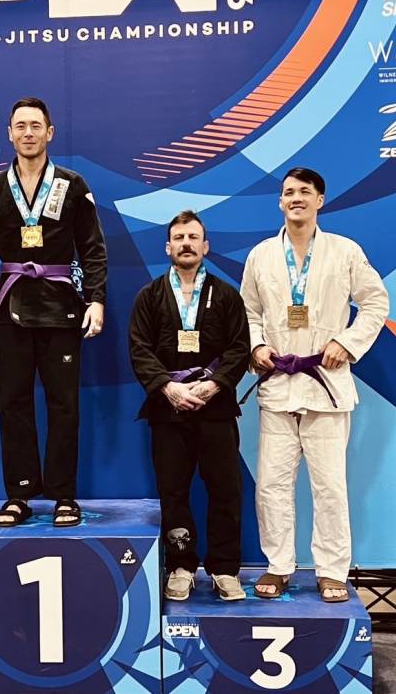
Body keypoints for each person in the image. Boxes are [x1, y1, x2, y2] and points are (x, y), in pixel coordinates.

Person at [240, 167, 389, 602]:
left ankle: (332, 570)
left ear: (320, 200)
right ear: (280, 202)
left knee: (329, 486)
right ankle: (278, 565)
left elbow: (376, 301)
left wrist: (347, 342)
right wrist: (257, 344)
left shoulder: (344, 251)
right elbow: (248, 311)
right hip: (279, 385)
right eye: (289, 192)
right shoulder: (262, 255)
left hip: (326, 385)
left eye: (305, 191)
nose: (296, 198)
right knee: (272, 485)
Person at [0, 97, 107, 527]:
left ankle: (64, 495)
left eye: (36, 125)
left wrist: (96, 300)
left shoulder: (72, 185)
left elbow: (93, 248)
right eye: (20, 126)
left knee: (64, 404)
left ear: (50, 133)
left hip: (62, 308)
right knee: (13, 402)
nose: (28, 133)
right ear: (9, 134)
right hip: (9, 307)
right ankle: (19, 494)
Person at [129, 211, 250, 601]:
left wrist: (214, 385)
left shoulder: (226, 295)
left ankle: (225, 569)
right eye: (179, 237)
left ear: (205, 246)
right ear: (168, 247)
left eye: (193, 237)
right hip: (169, 410)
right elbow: (140, 349)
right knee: (173, 491)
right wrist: (168, 388)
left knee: (225, 490)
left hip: (216, 409)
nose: (186, 243)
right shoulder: (149, 297)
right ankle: (181, 565)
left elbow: (239, 348)